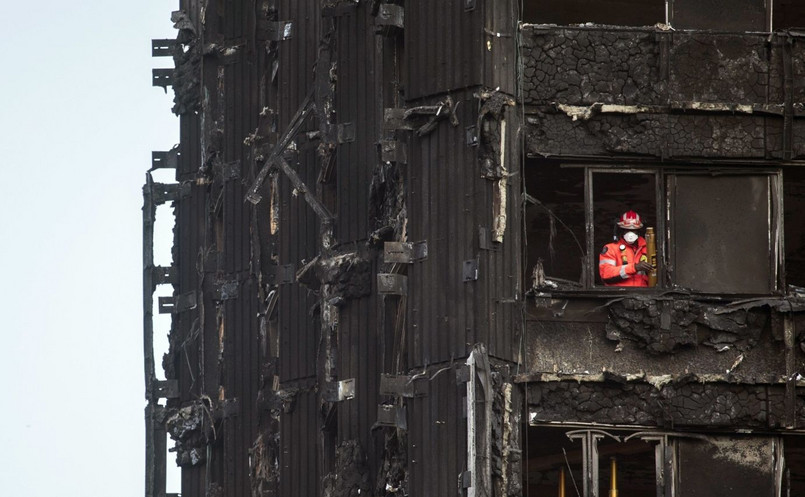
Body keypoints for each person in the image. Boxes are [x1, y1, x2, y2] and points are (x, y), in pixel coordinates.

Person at [599, 210, 652, 287]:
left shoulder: (648, 249)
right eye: (627, 230)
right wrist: (634, 267)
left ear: (639, 231)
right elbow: (606, 274)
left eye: (633, 230)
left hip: (642, 292)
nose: (630, 234)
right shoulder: (610, 249)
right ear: (621, 230)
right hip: (619, 293)